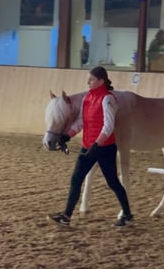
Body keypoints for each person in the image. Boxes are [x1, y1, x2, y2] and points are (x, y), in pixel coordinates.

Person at [48, 66, 134, 228]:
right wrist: (68, 135)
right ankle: (66, 216)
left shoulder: (108, 99)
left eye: (91, 79)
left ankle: (128, 214)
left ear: (101, 81)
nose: (88, 82)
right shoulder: (87, 98)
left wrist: (97, 144)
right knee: (76, 179)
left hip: (104, 148)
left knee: (113, 182)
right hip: (88, 146)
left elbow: (108, 126)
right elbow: (81, 122)